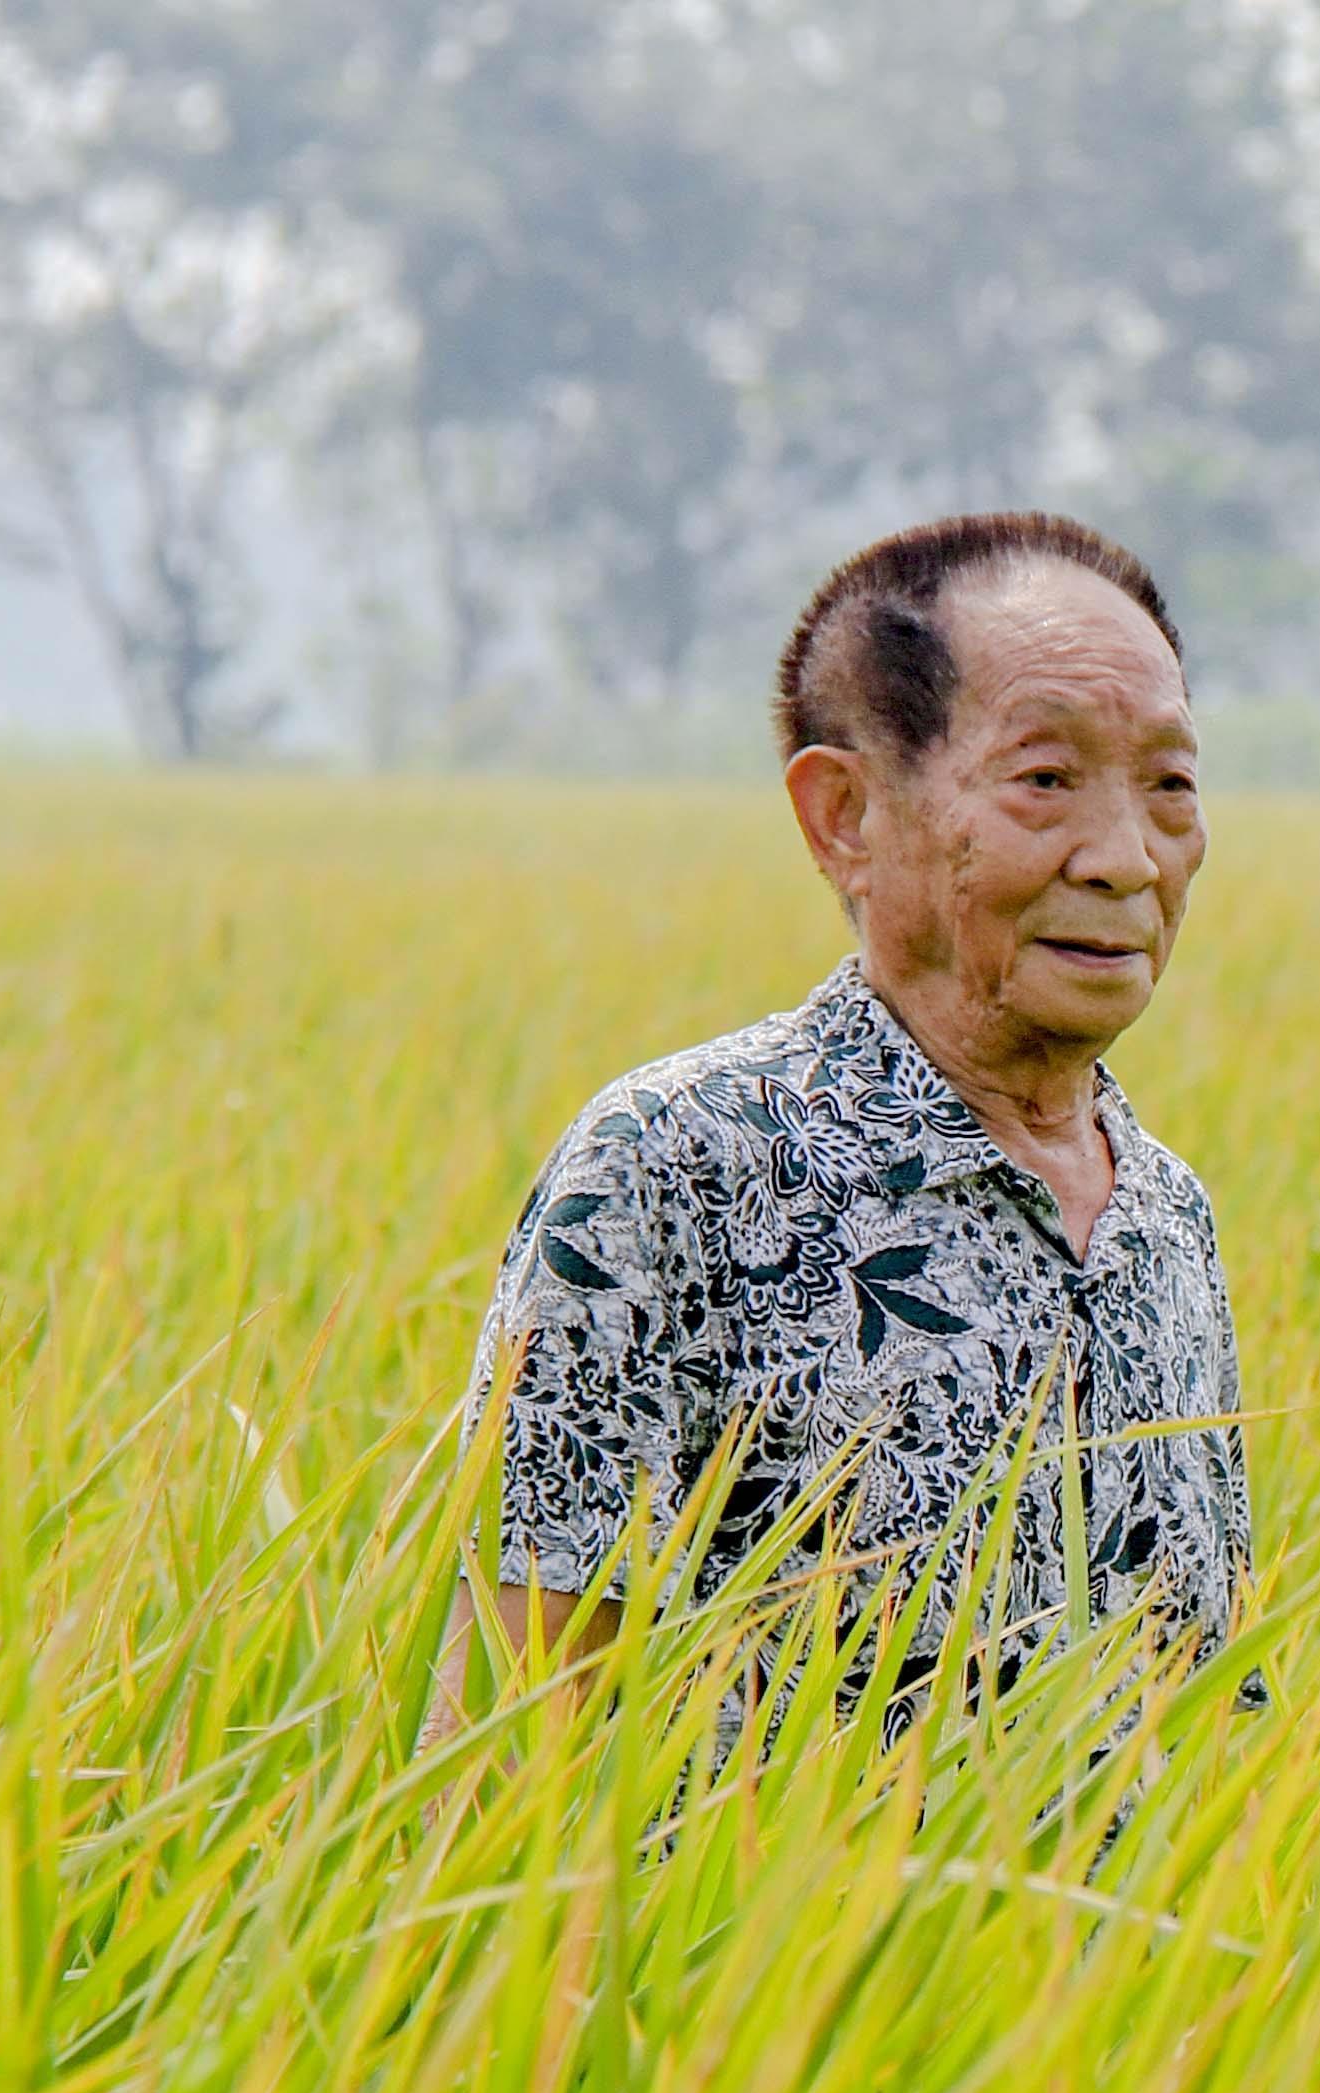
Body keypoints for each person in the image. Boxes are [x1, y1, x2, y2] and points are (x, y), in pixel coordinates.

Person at [433, 510, 1253, 1747]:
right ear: (847, 817)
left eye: (1170, 786)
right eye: (1046, 780)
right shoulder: (675, 1169)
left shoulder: (1163, 1214)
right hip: (755, 1941)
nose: (1129, 859)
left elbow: (1215, 1707)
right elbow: (513, 1732)